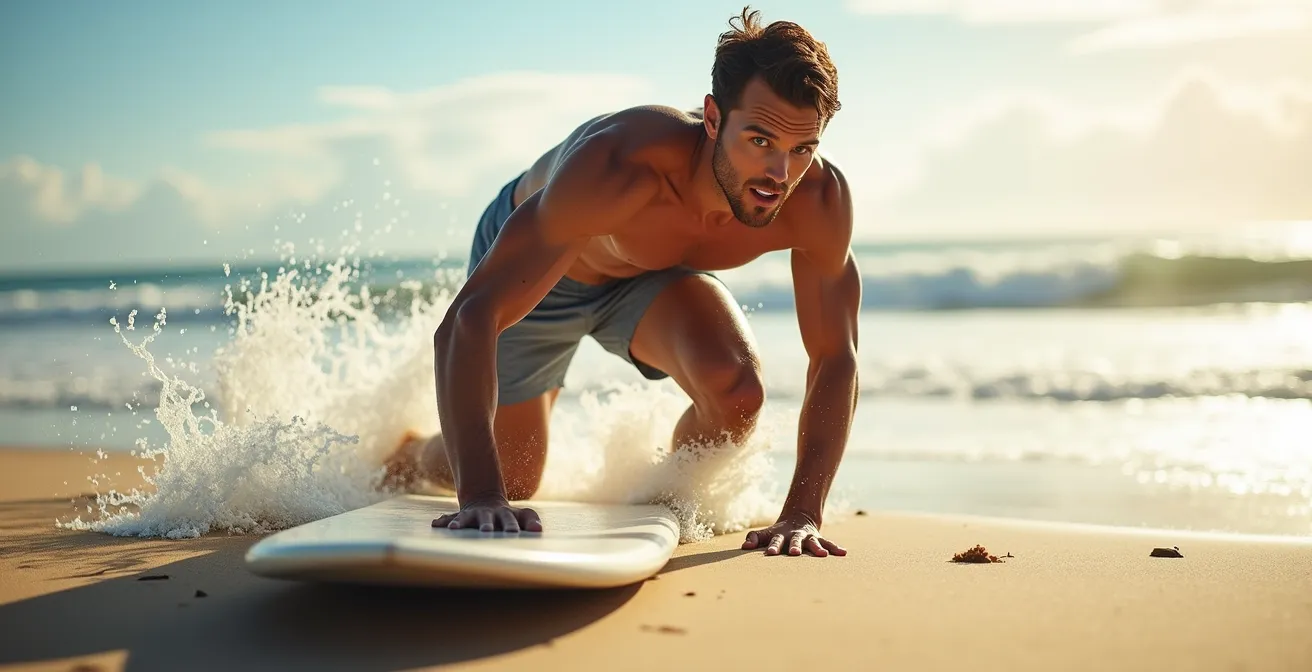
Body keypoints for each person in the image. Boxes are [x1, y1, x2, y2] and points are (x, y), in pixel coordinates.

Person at [386, 7, 860, 558]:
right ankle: (407, 457)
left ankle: (664, 499)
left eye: (802, 148)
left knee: (736, 394)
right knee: (513, 477)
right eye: (759, 141)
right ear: (713, 119)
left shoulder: (819, 202)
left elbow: (836, 356)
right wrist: (482, 496)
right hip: (552, 270)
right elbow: (468, 320)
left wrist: (802, 512)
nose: (779, 175)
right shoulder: (619, 163)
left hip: (652, 272)